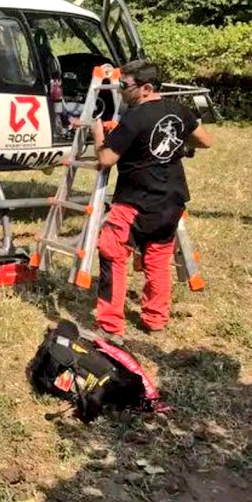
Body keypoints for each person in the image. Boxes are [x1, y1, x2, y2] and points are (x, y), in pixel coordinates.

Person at [91, 59, 213, 343]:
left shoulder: (133, 118)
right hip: (172, 200)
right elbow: (205, 141)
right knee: (157, 259)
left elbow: (106, 159)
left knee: (111, 251)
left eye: (126, 85)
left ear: (146, 88)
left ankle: (109, 326)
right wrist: (176, 145)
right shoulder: (180, 111)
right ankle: (155, 319)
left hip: (136, 201)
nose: (121, 90)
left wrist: (99, 136)